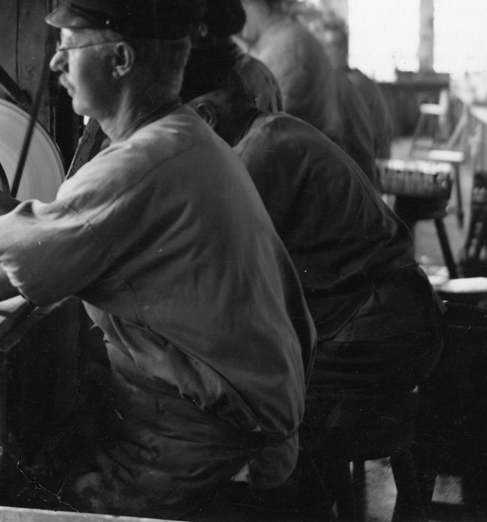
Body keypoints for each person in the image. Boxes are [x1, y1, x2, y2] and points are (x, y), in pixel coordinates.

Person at [0, 0, 314, 520]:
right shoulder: (177, 138)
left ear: (121, 59)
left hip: (209, 448)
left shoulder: (139, 168)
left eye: (69, 46)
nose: (55, 62)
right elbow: (52, 238)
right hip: (229, 426)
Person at [187, 61, 445, 513]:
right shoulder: (276, 131)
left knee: (255, 398)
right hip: (393, 322)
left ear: (206, 117)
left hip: (378, 335)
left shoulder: (260, 152)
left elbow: (226, 271)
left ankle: (301, 507)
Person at [235, 0, 378, 183]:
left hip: (303, 170)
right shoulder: (287, 38)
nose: (239, 18)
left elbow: (266, 123)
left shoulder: (284, 45)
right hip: (310, 165)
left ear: (258, 5)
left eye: (243, 7)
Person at [312, 17, 395, 160]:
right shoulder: (341, 81)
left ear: (343, 49)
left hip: (370, 162)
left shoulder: (353, 84)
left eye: (328, 46)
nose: (323, 53)